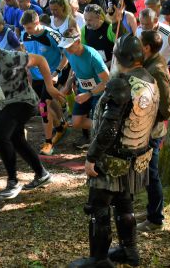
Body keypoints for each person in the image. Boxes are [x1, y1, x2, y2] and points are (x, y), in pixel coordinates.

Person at [68, 34, 159, 268]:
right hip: (137, 155)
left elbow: (109, 129)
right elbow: (163, 113)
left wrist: (91, 157)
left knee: (99, 206)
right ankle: (130, 252)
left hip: (112, 158)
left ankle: (99, 260)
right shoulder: (151, 79)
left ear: (119, 57)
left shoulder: (121, 83)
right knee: (125, 203)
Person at [0, 27, 64, 199]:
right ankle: (42, 174)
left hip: (23, 101)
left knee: (0, 136)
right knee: (16, 140)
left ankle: (13, 181)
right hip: (1, 103)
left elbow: (40, 60)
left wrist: (49, 86)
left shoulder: (10, 58)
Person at [137, 30, 170, 232]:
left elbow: (166, 108)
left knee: (151, 174)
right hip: (145, 128)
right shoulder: (149, 63)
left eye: (139, 44)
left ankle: (155, 219)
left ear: (147, 47)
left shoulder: (157, 69)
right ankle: (152, 209)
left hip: (151, 130)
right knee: (147, 174)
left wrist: (148, 118)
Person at [20, 10, 69, 155]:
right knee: (49, 102)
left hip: (51, 75)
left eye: (29, 27)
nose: (27, 31)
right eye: (24, 28)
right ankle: (61, 125)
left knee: (43, 106)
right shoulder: (25, 34)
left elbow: (66, 54)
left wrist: (57, 73)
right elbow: (25, 51)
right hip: (36, 76)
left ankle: (48, 143)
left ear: (37, 23)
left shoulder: (51, 35)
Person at [59, 27, 110, 150]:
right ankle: (105, 128)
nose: (67, 49)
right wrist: (69, 83)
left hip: (99, 93)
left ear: (77, 42)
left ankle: (104, 136)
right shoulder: (68, 52)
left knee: (96, 121)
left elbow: (107, 81)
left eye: (69, 46)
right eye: (65, 46)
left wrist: (89, 94)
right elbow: (73, 67)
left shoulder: (92, 55)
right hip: (82, 91)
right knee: (76, 122)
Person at [137, 8, 170, 82]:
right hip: (147, 68)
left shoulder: (168, 34)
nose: (144, 27)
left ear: (155, 20)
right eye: (142, 23)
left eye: (147, 24)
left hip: (167, 70)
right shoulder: (139, 29)